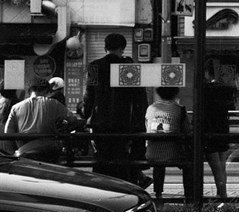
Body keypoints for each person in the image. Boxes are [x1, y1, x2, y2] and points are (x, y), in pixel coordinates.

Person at [82, 33, 151, 187]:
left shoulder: (95, 66)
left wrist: (85, 115)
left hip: (100, 123)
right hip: (124, 123)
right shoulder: (129, 68)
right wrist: (140, 122)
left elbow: (89, 95)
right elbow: (139, 98)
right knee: (121, 157)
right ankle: (124, 189)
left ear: (105, 47)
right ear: (122, 48)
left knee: (101, 158)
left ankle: (101, 189)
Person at [2, 82, 83, 163]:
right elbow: (73, 119)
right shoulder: (54, 103)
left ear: (30, 91)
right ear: (47, 91)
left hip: (24, 152)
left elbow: (8, 132)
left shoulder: (16, 107)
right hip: (49, 152)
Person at [145, 86, 194, 201]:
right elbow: (187, 130)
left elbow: (147, 127)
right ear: (175, 94)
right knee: (189, 164)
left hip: (152, 153)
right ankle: (189, 195)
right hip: (173, 153)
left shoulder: (151, 108)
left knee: (158, 163)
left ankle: (158, 194)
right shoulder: (179, 109)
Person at [203, 62, 235, 202]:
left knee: (216, 165)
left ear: (207, 73)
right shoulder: (226, 89)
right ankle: (221, 193)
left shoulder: (206, 89)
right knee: (221, 164)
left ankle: (222, 196)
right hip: (223, 127)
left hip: (210, 128)